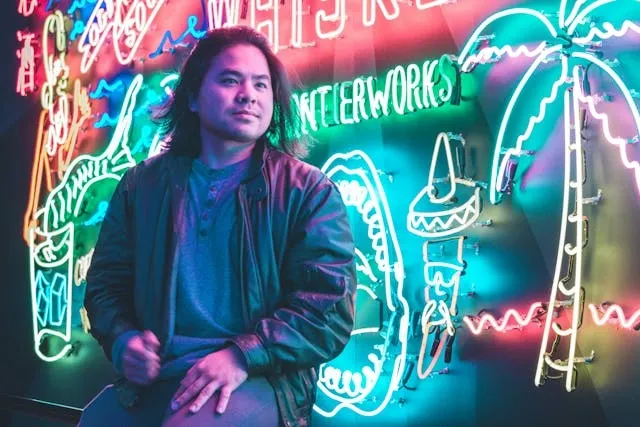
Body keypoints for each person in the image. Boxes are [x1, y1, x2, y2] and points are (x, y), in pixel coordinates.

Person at [80, 26, 356, 427]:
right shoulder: (143, 186)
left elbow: (328, 311)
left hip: (259, 377)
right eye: (230, 80)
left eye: (261, 84)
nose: (249, 94)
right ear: (192, 96)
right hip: (158, 378)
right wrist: (124, 340)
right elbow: (105, 286)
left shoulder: (308, 190)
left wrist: (243, 355)